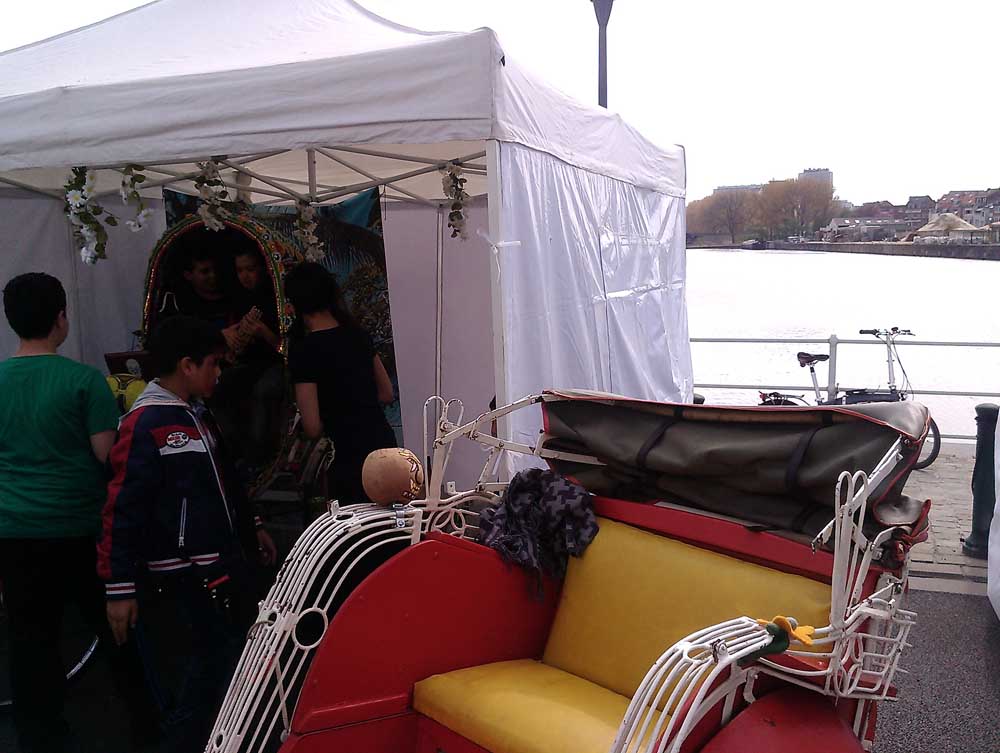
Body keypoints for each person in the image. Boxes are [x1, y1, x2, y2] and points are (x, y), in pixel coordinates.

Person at [97, 315, 277, 753]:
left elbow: (225, 481)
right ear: (187, 365)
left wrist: (252, 526)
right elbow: (121, 508)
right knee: (193, 690)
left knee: (224, 676)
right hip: (176, 583)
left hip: (220, 573)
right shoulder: (145, 423)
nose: (219, 373)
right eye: (214, 363)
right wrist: (119, 587)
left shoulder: (197, 415)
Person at [0, 273, 150, 753]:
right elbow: (107, 457)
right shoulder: (83, 381)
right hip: (80, 528)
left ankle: (39, 737)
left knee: (29, 640)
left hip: (14, 532)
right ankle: (146, 725)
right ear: (61, 318)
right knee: (115, 630)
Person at [284, 262, 396, 503]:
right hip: (384, 444)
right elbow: (387, 393)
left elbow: (312, 426)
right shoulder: (357, 335)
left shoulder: (305, 351)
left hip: (349, 454)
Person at [214, 248, 286, 466]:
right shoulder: (239, 299)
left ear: (262, 269)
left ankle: (258, 457)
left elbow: (287, 348)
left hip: (278, 364)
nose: (245, 276)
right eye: (240, 270)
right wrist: (232, 346)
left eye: (250, 269)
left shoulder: (278, 298)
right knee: (221, 384)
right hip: (251, 363)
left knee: (263, 390)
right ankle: (232, 450)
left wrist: (263, 332)